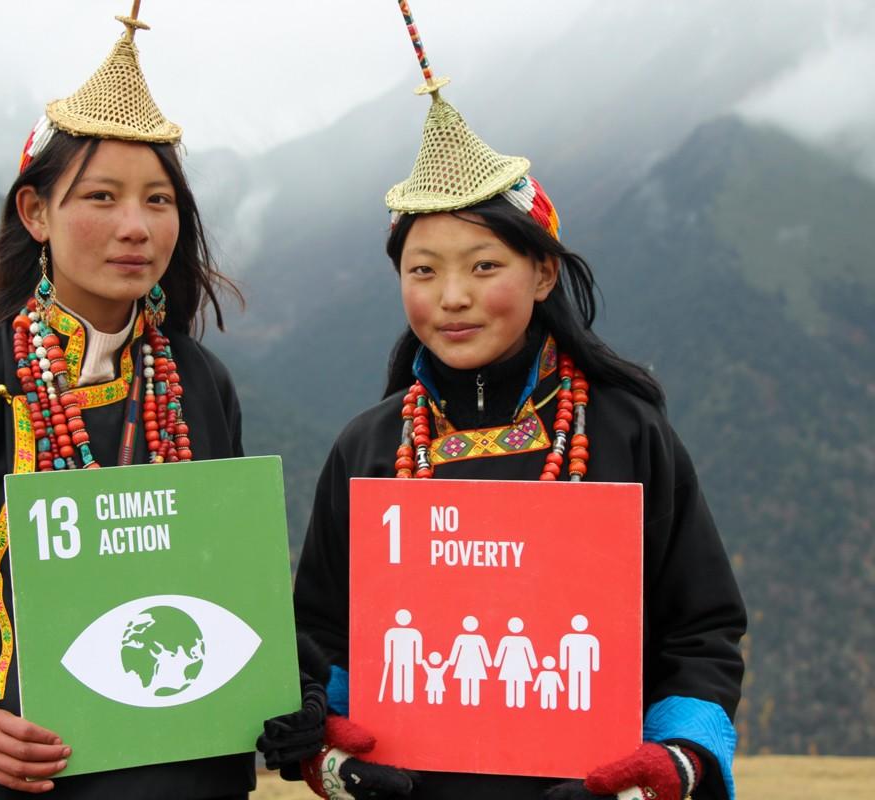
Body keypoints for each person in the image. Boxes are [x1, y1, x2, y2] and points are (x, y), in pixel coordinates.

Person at [258, 4, 745, 799]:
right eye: (423, 272)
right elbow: (321, 634)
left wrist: (669, 763)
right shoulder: (368, 448)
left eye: (484, 267)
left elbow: (701, 629)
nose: (452, 298)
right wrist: (331, 751)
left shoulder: (627, 432)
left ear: (543, 274)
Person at [0, 9, 252, 799]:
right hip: (35, 781)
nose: (136, 227)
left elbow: (225, 581)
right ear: (35, 213)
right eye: (101, 197)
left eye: (159, 200)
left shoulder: (200, 383)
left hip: (194, 774)